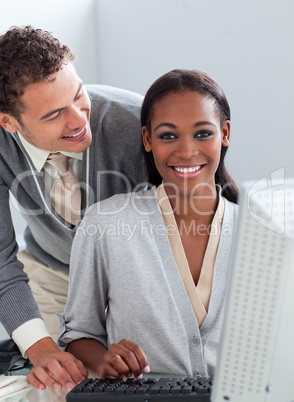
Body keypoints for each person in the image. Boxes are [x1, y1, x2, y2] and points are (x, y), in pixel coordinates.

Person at [57, 69, 239, 379]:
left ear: (224, 134)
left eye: (203, 133)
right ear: (147, 139)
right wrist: (104, 361)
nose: (186, 151)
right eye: (168, 135)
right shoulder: (104, 225)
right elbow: (77, 335)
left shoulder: (264, 233)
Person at [0, 25, 148, 390]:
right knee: (56, 385)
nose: (80, 121)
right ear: (8, 122)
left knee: (135, 383)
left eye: (79, 95)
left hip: (135, 278)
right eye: (53, 115)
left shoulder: (137, 122)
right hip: (51, 272)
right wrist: (42, 349)